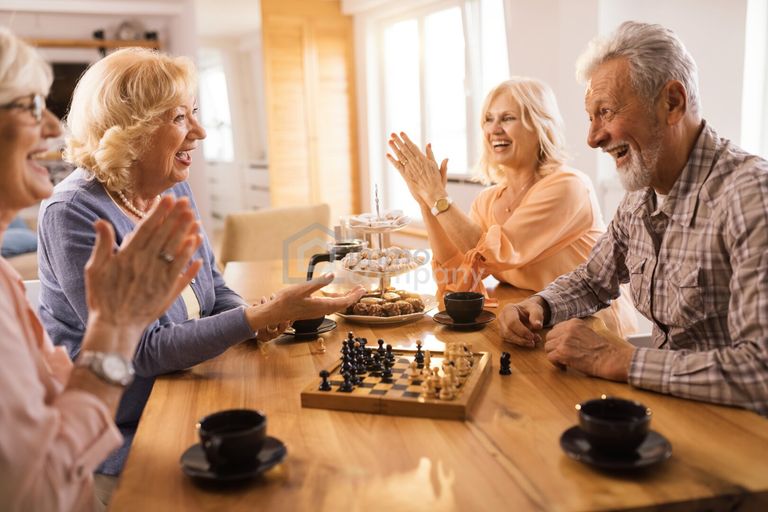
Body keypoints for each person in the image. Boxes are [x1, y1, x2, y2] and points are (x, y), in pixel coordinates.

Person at [36, 47, 365, 492]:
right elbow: (141, 351)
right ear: (130, 129)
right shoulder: (73, 212)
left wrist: (255, 320)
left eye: (195, 112)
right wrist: (253, 317)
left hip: (187, 382)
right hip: (126, 419)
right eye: (178, 118)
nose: (200, 131)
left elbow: (213, 285)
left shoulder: (170, 187)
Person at [499, 21, 768, 416]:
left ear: (672, 103)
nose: (593, 137)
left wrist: (621, 359)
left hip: (735, 431)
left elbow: (760, 371)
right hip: (663, 411)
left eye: (605, 112)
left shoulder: (751, 196)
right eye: (591, 117)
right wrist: (539, 305)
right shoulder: (640, 193)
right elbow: (593, 280)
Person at [0, 28, 203, 511]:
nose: (53, 128)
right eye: (30, 106)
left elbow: (58, 415)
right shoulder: (71, 209)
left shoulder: (6, 279)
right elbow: (43, 488)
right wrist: (115, 328)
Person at [387, 77, 636, 337]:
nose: (494, 129)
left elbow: (496, 253)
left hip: (592, 326)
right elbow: (457, 278)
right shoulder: (487, 200)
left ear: (539, 126)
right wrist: (426, 202)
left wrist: (438, 196)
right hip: (533, 324)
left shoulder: (568, 186)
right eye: (488, 119)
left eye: (507, 118)